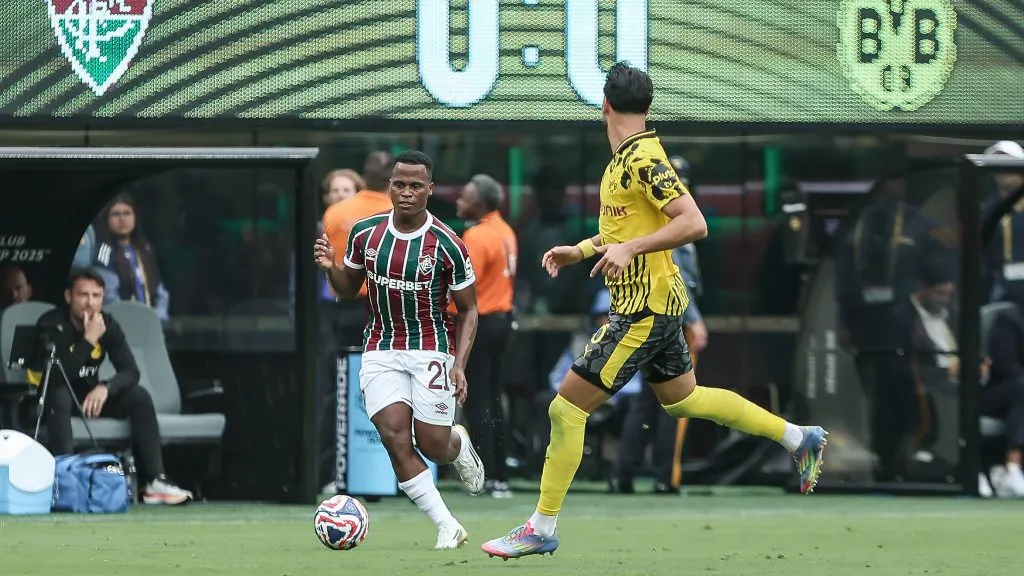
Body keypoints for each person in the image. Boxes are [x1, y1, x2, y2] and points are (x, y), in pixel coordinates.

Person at [482, 62, 828, 559]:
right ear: (646, 108)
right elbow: (623, 231)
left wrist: (631, 249)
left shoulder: (644, 160)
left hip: (642, 311)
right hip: (657, 307)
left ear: (604, 106)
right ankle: (800, 437)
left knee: (566, 407)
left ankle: (541, 526)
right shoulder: (625, 159)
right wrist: (580, 251)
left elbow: (694, 223)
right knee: (684, 400)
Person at [313, 150, 486, 550]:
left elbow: (470, 310)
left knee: (432, 446)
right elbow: (346, 289)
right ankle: (447, 524)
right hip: (381, 347)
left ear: (430, 189)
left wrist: (459, 365)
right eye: (399, 184)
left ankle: (457, 443)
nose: (406, 192)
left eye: (415, 186)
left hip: (432, 349)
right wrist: (331, 267)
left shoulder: (448, 244)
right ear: (389, 186)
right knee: (393, 435)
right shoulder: (365, 233)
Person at [28, 269, 192, 505]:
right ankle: (65, 480)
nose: (90, 302)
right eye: (83, 295)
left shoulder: (107, 324)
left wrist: (106, 387)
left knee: (138, 396)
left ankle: (155, 481)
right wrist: (89, 339)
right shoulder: (52, 324)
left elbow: (131, 371)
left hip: (88, 400)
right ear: (68, 297)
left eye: (97, 296)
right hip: (52, 402)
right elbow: (59, 376)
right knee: (60, 394)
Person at [455, 173, 518, 499]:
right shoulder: (505, 230)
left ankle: (484, 473)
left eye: (464, 197)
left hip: (481, 324)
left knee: (477, 400)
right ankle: (500, 475)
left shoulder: (477, 236)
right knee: (494, 400)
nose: (458, 201)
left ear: (480, 203)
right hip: (503, 323)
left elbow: (464, 288)